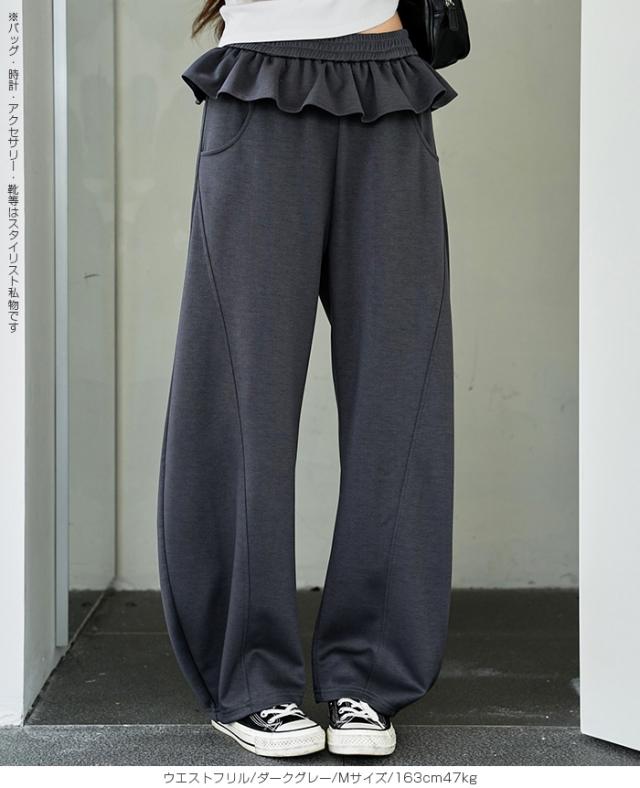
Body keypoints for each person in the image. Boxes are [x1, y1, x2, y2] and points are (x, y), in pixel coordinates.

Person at [157, 0, 457, 759]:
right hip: (260, 83)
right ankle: (251, 678)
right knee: (241, 394)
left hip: (387, 81)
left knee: (400, 396)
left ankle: (369, 674)